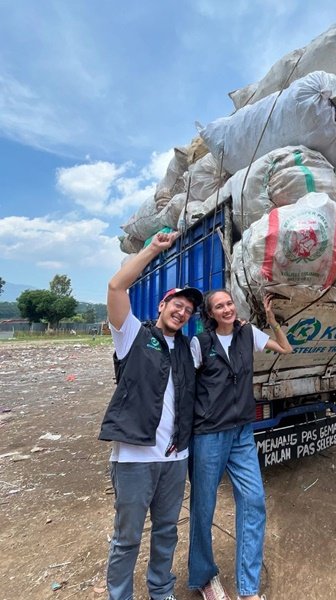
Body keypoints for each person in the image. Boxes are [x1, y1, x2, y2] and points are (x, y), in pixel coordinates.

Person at [102, 230, 202, 600]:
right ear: (161, 306)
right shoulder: (132, 335)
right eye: (177, 304)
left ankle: (161, 591)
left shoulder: (190, 349)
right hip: (134, 458)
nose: (182, 311)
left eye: (189, 311)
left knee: (166, 531)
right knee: (127, 537)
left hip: (175, 458)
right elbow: (116, 286)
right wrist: (152, 249)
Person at [189, 290, 293, 600]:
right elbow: (187, 387)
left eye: (229, 303)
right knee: (203, 507)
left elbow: (285, 348)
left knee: (254, 501)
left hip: (242, 433)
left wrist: (272, 320)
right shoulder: (200, 343)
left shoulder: (248, 333)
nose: (226, 309)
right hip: (208, 434)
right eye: (219, 306)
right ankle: (204, 578)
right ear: (210, 313)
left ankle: (248, 589)